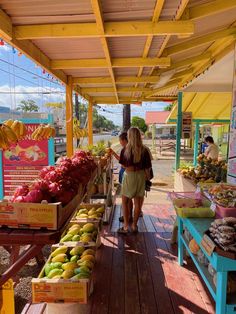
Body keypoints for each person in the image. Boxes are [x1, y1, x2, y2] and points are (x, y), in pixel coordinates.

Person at [117, 127, 152, 234]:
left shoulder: (125, 149)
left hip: (129, 176)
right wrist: (147, 179)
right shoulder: (145, 150)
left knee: (125, 201)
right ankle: (135, 226)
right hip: (141, 176)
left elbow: (123, 164)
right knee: (138, 203)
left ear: (130, 136)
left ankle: (126, 226)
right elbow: (147, 168)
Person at [111, 132, 133, 222]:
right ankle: (129, 216)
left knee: (126, 198)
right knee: (129, 198)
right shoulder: (131, 148)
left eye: (120, 140)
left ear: (124, 140)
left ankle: (126, 218)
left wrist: (113, 153)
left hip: (126, 173)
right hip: (128, 174)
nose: (120, 142)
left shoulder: (126, 149)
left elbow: (123, 163)